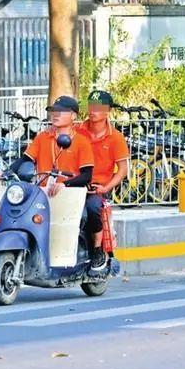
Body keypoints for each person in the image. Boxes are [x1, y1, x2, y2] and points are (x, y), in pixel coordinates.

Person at [0, 95, 99, 258]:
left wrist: (65, 184)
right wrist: (5, 172)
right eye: (53, 111)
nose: (55, 114)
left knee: (89, 213)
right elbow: (25, 159)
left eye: (61, 111)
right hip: (43, 193)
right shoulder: (43, 137)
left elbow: (87, 175)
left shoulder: (82, 142)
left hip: (70, 194)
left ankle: (95, 253)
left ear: (73, 116)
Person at [76, 90, 129, 271]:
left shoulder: (116, 138)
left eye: (98, 107)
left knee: (92, 208)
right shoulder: (77, 132)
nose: (93, 110)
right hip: (75, 184)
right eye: (91, 106)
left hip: (98, 188)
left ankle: (98, 250)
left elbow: (122, 170)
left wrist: (105, 187)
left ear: (108, 111)